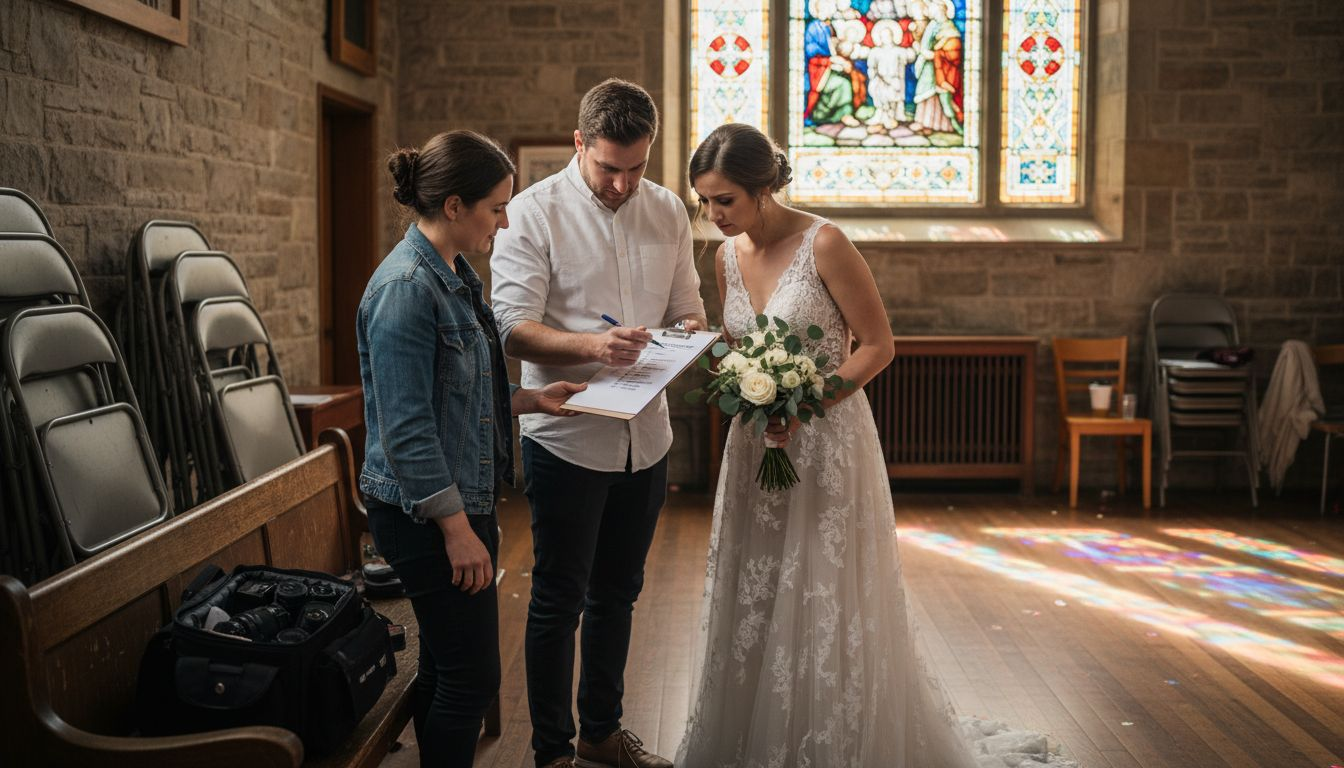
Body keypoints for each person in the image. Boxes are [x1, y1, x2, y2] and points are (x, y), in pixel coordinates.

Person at [677, 123, 1030, 766]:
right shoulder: (725, 258)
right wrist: (711, 352)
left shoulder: (826, 243)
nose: (712, 214)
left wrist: (803, 403)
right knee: (755, 586)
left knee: (822, 584)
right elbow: (741, 347)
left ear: (763, 188)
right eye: (704, 200)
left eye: (723, 200)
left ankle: (835, 740)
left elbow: (877, 346)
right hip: (755, 444)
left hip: (827, 444)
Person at [490, 79, 707, 768]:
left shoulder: (668, 209)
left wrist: (690, 334)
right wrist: (591, 347)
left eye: (636, 167)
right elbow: (510, 330)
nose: (621, 183)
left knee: (619, 593)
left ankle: (601, 736)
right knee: (558, 597)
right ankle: (551, 751)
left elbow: (687, 305)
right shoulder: (532, 213)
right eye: (609, 167)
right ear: (579, 143)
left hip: (646, 436)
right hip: (567, 437)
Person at [357, 130, 586, 768]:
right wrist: (457, 530)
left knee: (446, 668)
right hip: (426, 515)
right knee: (472, 677)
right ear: (454, 207)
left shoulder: (452, 273)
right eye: (496, 207)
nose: (505, 220)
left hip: (456, 502)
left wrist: (528, 400)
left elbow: (452, 395)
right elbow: (406, 430)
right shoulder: (407, 288)